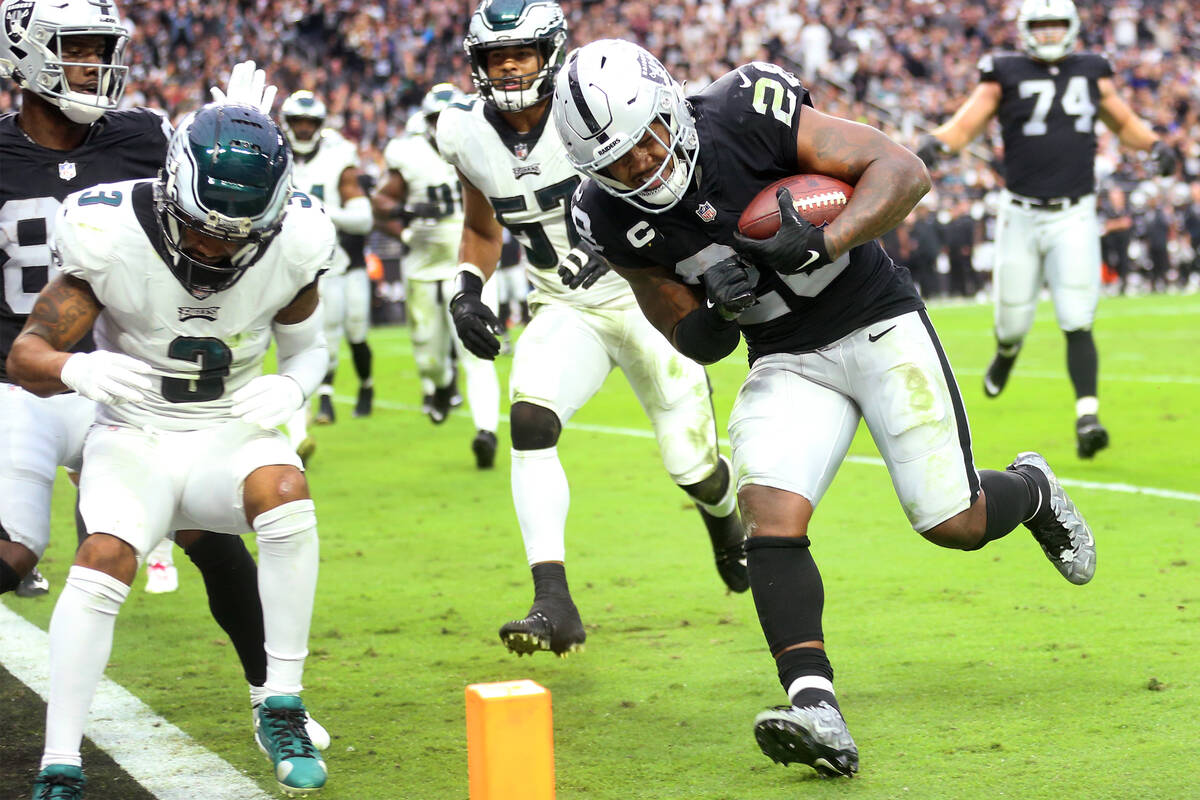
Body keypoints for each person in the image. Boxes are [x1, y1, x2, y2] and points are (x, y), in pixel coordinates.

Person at [552, 38, 1097, 778]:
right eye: (615, 162)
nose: (639, 166)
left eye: (644, 141)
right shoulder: (604, 215)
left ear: (667, 108)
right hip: (781, 353)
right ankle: (816, 707)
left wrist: (825, 239)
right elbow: (684, 331)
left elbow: (904, 172)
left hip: (874, 319)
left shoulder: (744, 109)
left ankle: (1032, 490)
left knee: (953, 521)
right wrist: (713, 315)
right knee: (769, 516)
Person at [8, 94, 333, 797]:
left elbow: (312, 348)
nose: (218, 248)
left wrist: (296, 385)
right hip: (136, 433)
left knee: (286, 495)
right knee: (103, 557)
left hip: (229, 434)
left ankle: (282, 704)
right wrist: (78, 366)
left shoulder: (297, 239)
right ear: (169, 193)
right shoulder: (109, 231)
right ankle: (58, 762)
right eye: (203, 227)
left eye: (239, 234)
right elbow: (26, 353)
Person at [441, 0, 748, 657]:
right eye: (497, 57)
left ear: (550, 52)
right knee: (530, 420)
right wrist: (467, 291)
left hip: (645, 294)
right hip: (565, 305)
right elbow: (480, 226)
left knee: (692, 468)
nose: (510, 66)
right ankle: (553, 599)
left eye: (521, 52)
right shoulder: (464, 132)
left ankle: (724, 521)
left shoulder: (596, 111)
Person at [916, 0, 1175, 458]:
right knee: (1013, 318)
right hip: (1020, 214)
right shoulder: (1005, 70)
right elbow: (967, 123)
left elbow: (1125, 123)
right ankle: (1008, 351)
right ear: (1026, 29)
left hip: (1074, 212)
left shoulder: (1092, 69)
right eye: (1042, 26)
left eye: (1058, 25)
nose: (1051, 34)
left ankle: (1087, 416)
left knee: (1077, 318)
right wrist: (938, 145)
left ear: (1072, 27)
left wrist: (1155, 145)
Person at [373, 83, 501, 467]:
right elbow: (381, 202)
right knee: (429, 357)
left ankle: (486, 432)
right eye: (436, 119)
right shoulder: (408, 154)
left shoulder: (483, 145)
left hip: (473, 264)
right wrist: (405, 218)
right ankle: (442, 385)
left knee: (479, 353)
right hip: (424, 267)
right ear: (426, 122)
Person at [280, 89, 375, 430]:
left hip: (333, 263)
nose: (304, 129)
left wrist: (317, 210)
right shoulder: (274, 155)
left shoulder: (338, 157)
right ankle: (310, 408)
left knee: (342, 329)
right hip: (284, 264)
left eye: (310, 122)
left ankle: (344, 393)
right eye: (298, 122)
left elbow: (363, 217)